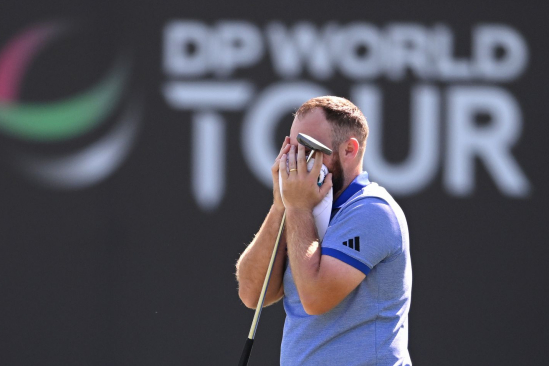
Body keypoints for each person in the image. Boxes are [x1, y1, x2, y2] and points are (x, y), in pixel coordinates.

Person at [235, 96, 412, 366]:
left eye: (309, 148)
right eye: (292, 149)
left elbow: (315, 299)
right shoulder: (304, 207)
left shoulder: (373, 210)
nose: (297, 162)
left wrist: (297, 207)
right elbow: (252, 293)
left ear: (349, 151)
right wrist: (281, 205)